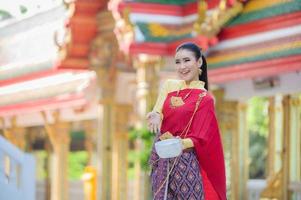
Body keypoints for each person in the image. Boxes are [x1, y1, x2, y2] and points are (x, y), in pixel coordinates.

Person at [146, 42, 226, 200]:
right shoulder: (169, 86)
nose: (182, 66)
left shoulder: (205, 98)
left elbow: (201, 136)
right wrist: (155, 115)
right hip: (162, 158)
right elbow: (158, 110)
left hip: (185, 161)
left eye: (186, 60)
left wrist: (179, 144)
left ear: (199, 62)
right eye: (178, 62)